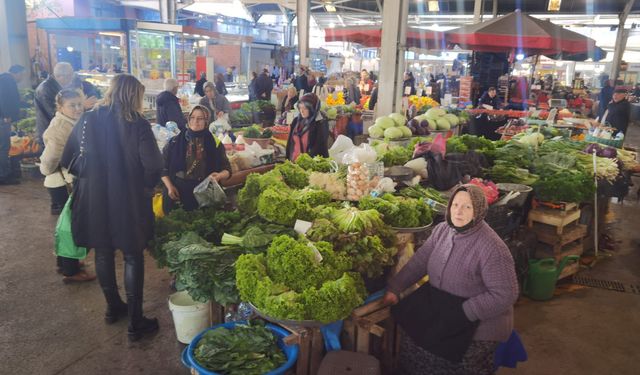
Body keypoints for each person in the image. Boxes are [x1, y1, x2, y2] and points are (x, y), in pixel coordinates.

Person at [60, 74, 164, 341]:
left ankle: (113, 308)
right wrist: (145, 187)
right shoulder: (137, 124)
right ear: (134, 96)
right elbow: (153, 165)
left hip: (94, 199)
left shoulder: (88, 118)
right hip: (127, 200)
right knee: (132, 255)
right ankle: (135, 322)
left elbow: (67, 157)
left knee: (103, 252)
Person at [383, 184, 518, 375]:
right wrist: (395, 287)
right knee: (412, 338)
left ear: (479, 210)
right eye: (455, 205)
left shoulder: (492, 248)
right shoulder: (443, 230)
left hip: (477, 325)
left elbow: (506, 294)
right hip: (444, 308)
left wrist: (466, 312)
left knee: (447, 363)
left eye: (467, 207)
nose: (458, 212)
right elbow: (421, 261)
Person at [39, 89, 96, 282]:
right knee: (71, 226)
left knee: (68, 225)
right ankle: (70, 271)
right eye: (72, 105)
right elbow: (49, 160)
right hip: (62, 183)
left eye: (80, 104)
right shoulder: (60, 127)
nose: (77, 108)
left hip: (68, 181)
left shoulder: (71, 122)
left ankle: (65, 263)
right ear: (60, 107)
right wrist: (48, 170)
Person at [161, 105, 231, 213]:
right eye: (192, 117)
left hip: (204, 195)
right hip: (178, 194)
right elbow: (162, 168)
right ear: (188, 120)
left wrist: (219, 176)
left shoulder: (215, 143)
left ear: (206, 121)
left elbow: (227, 169)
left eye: (200, 118)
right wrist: (169, 187)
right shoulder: (174, 142)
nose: (195, 121)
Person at [35, 62, 75, 142]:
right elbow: (54, 112)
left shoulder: (56, 85)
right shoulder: (46, 88)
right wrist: (81, 106)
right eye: (70, 76)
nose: (72, 78)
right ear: (60, 76)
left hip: (57, 130)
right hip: (49, 131)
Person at [0, 65, 26, 185]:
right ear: (18, 73)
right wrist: (6, 115)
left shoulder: (4, 79)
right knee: (3, 147)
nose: (22, 77)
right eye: (22, 74)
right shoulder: (7, 80)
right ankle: (3, 176)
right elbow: (4, 99)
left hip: (3, 117)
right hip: (3, 119)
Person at [286, 93, 329, 162]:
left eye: (305, 108)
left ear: (312, 109)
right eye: (300, 108)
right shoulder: (296, 121)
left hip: (311, 165)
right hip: (293, 162)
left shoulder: (320, 123)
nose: (301, 111)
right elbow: (290, 143)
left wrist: (306, 163)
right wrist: (287, 160)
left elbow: (320, 147)